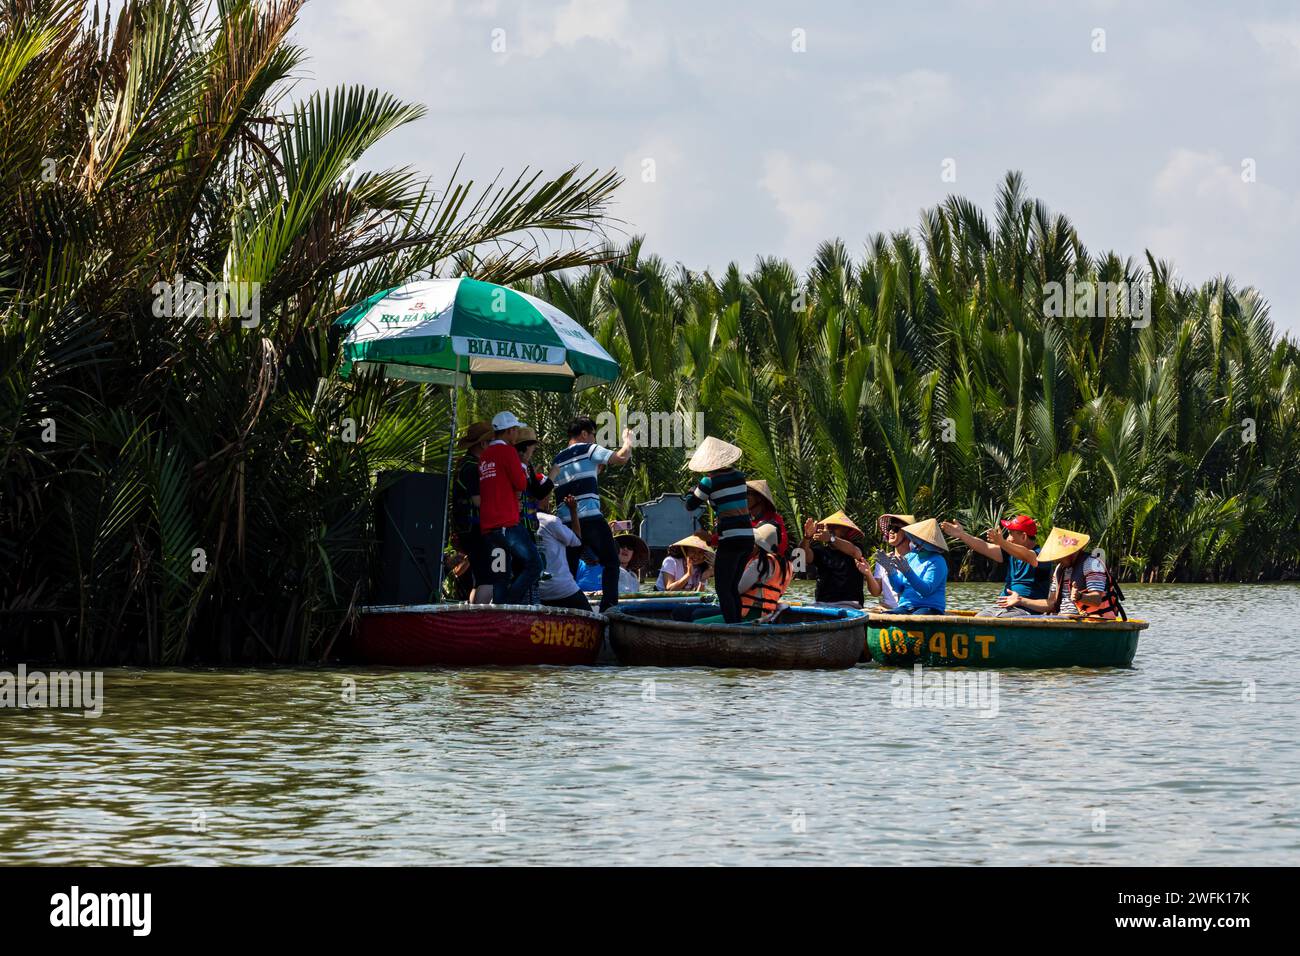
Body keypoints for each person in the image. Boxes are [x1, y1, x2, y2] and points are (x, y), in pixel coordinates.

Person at [551, 417, 634, 612]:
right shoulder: (588, 449)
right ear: (584, 434)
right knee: (612, 562)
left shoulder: (557, 458)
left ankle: (567, 608)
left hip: (566, 522)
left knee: (569, 570)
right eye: (593, 435)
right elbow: (621, 458)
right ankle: (609, 607)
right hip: (589, 518)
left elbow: (590, 472)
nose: (595, 440)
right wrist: (628, 441)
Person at [684, 436, 753, 624]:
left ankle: (732, 628)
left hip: (730, 539)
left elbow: (690, 505)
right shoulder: (740, 477)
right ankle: (737, 625)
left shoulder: (709, 481)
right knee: (732, 587)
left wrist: (692, 491)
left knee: (723, 588)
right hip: (747, 538)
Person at [478, 411, 542, 605]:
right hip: (507, 523)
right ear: (510, 431)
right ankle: (509, 604)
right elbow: (522, 484)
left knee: (500, 576)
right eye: (516, 430)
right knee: (534, 564)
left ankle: (499, 614)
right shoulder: (508, 452)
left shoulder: (485, 455)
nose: (517, 435)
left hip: (489, 527)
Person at [997, 527, 1126, 619]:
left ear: (1072, 552)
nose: (1057, 559)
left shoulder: (1092, 564)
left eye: (1060, 555)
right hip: (1063, 618)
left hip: (1089, 619)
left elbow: (1097, 600)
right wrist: (1020, 600)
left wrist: (1081, 597)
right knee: (1018, 618)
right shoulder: (1060, 569)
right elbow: (1051, 604)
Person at [672, 523, 790, 623]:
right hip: (756, 612)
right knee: (684, 610)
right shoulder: (786, 565)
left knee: (696, 616)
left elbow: (735, 589)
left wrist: (719, 566)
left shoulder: (760, 563)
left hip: (747, 614)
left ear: (758, 545)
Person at [941, 514, 1054, 616]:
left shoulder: (1041, 556)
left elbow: (1028, 556)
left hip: (1026, 610)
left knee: (1000, 619)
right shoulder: (1009, 553)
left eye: (1010, 534)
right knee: (980, 617)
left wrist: (1002, 542)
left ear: (1024, 536)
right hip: (1002, 607)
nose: (1007, 538)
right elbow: (985, 547)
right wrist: (962, 535)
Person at [450, 420, 494, 602]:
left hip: (468, 529)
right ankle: (480, 617)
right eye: (491, 442)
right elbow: (479, 502)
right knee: (488, 577)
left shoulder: (466, 464)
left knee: (479, 578)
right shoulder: (471, 467)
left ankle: (473, 613)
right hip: (474, 530)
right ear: (483, 444)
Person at [878, 518, 949, 614]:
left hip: (930, 607)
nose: (914, 541)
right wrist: (891, 572)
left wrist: (908, 572)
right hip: (906, 606)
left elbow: (926, 590)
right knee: (886, 616)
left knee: (914, 618)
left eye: (919, 539)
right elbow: (899, 588)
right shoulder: (911, 556)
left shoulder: (938, 561)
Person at [536, 494, 591, 611]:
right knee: (595, 625)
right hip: (563, 589)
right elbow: (577, 541)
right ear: (543, 497)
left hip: (538, 593)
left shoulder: (519, 522)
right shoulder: (550, 521)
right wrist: (573, 510)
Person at [800, 510, 866, 607]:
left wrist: (831, 538)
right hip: (822, 604)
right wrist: (806, 537)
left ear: (845, 530)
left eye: (835, 527)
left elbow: (855, 552)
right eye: (829, 526)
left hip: (849, 604)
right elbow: (803, 556)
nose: (830, 529)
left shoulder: (856, 547)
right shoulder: (821, 551)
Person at [854, 513, 914, 610]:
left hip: (910, 609)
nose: (890, 531)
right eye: (890, 527)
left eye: (896, 529)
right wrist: (868, 573)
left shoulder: (917, 559)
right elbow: (876, 592)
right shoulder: (883, 559)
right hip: (887, 608)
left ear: (908, 534)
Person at [746, 479, 788, 554]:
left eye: (747, 493)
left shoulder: (774, 519)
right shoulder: (743, 519)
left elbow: (781, 547)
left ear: (759, 498)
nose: (744, 497)